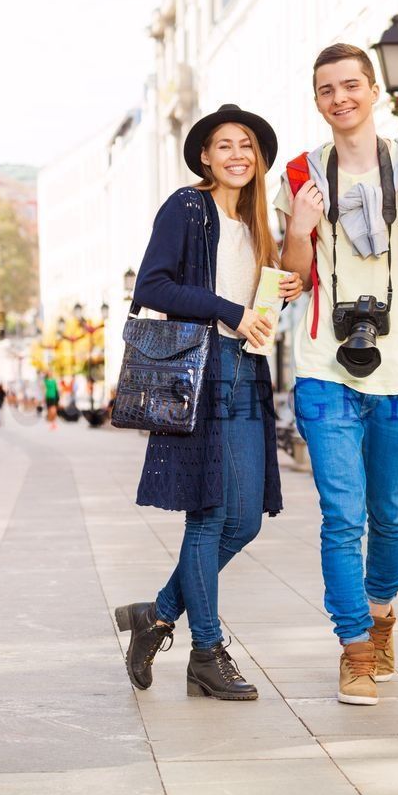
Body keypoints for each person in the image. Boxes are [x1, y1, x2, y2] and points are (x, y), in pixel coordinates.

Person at [276, 44, 398, 706]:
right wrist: (298, 228)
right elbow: (293, 279)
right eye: (326, 89)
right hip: (325, 367)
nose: (339, 98)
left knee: (389, 512)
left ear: (375, 90)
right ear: (317, 99)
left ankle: (382, 614)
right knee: (340, 515)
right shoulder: (301, 172)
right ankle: (355, 649)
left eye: (350, 85)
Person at [113, 105, 302, 701]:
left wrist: (279, 293)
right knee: (211, 513)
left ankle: (159, 613)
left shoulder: (258, 223)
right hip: (202, 368)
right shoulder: (186, 207)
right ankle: (207, 651)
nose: (237, 155)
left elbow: (252, 307)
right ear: (204, 156)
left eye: (246, 145)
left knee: (244, 519)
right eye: (225, 146)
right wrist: (230, 311)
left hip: (247, 369)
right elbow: (152, 285)